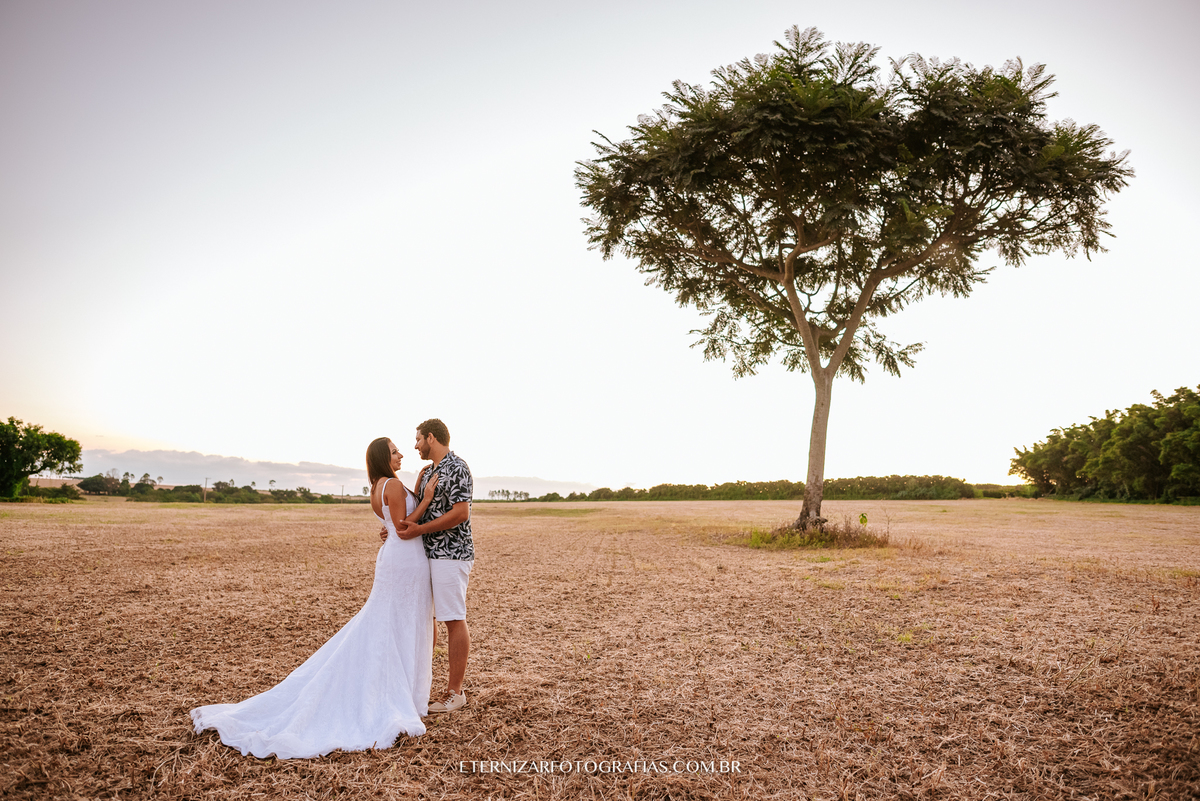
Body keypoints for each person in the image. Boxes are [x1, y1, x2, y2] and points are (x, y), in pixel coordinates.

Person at [191, 437, 439, 758]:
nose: (401, 453)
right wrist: (428, 498)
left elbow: (391, 525)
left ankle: (401, 688)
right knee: (398, 622)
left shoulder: (378, 485)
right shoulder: (390, 483)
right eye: (394, 451)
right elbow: (406, 526)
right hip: (404, 558)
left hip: (397, 557)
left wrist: (416, 489)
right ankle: (394, 694)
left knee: (395, 622)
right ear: (383, 458)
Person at [386, 418, 474, 713]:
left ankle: (455, 693)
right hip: (426, 555)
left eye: (418, 440)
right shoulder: (426, 474)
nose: (415, 446)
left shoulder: (457, 468)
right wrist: (395, 527)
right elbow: (415, 511)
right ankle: (420, 687)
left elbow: (461, 513)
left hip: (451, 554)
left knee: (452, 618)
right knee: (425, 620)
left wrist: (420, 530)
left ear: (431, 438)